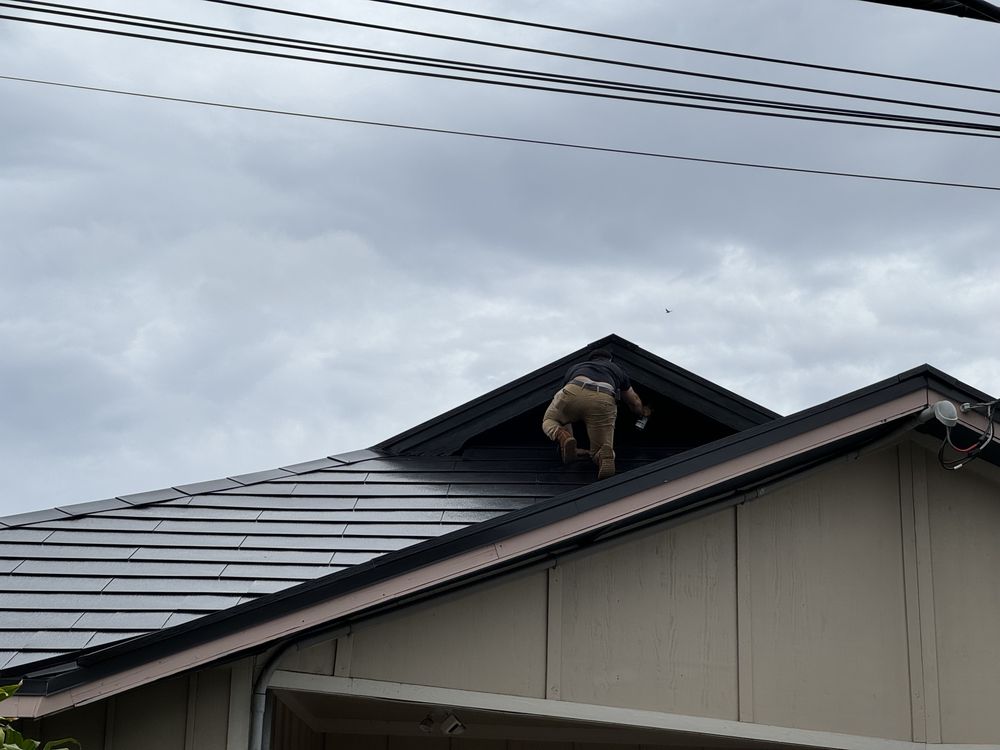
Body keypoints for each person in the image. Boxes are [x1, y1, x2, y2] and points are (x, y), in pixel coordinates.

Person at [541, 348, 650, 480]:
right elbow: (634, 402)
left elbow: (565, 415)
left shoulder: (577, 367)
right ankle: (602, 457)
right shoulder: (616, 368)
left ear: (591, 360)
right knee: (601, 449)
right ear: (610, 360)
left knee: (550, 420)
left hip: (573, 389)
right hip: (602, 397)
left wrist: (568, 438)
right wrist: (642, 412)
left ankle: (562, 435)